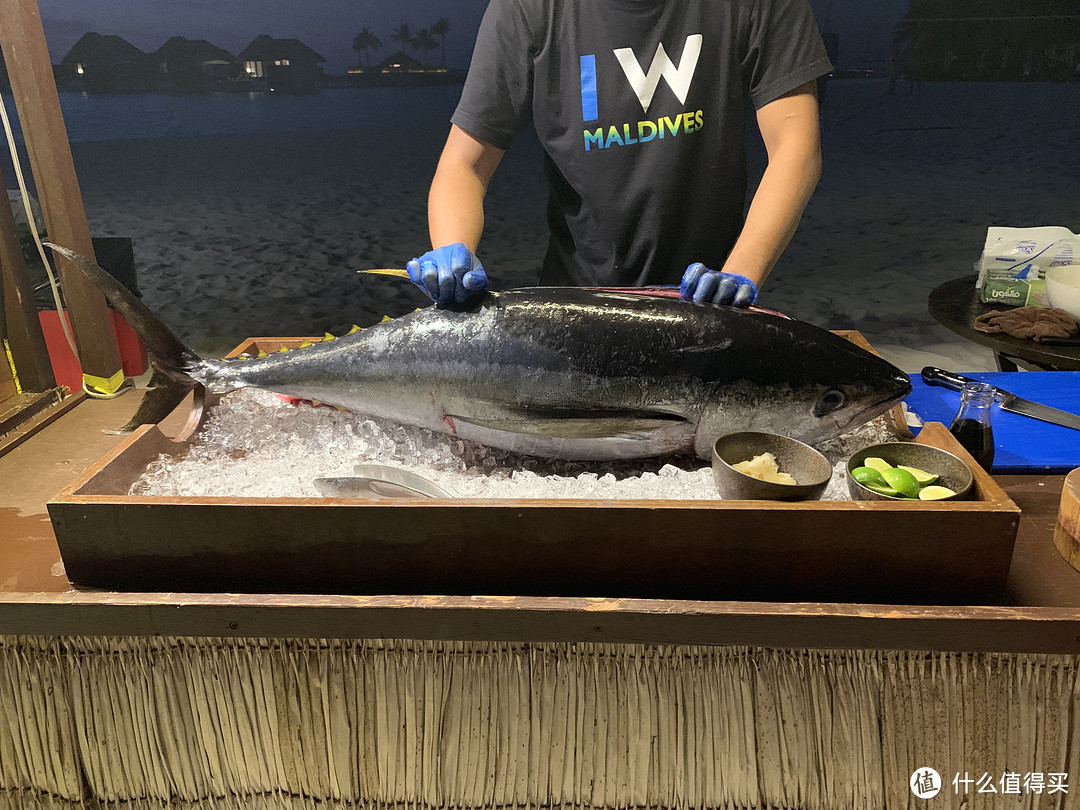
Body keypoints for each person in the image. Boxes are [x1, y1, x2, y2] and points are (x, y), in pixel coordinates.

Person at [407, 0, 832, 310]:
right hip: (574, 301)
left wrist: (741, 271)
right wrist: (453, 252)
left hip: (710, 300)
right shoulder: (527, 8)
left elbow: (796, 147)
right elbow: (464, 163)